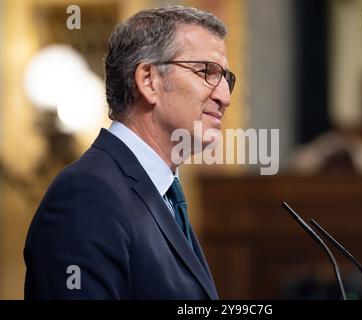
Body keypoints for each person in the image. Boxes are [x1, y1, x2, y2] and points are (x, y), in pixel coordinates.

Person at [23, 6, 236, 299]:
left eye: (226, 78)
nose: (224, 96)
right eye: (206, 72)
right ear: (148, 80)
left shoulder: (164, 195)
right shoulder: (86, 195)